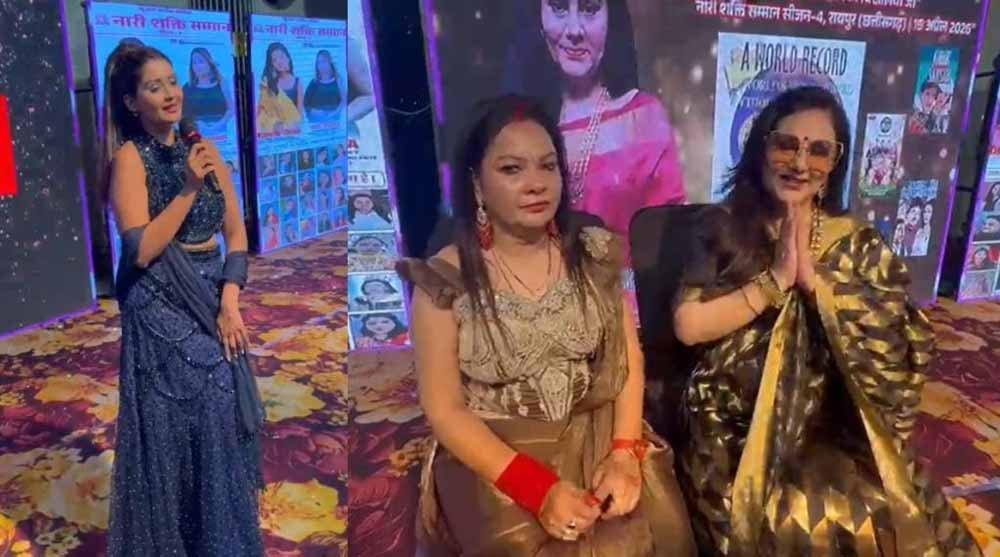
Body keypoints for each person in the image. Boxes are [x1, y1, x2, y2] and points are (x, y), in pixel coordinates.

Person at [672, 86, 977, 555]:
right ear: (761, 147)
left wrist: (818, 286)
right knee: (796, 515)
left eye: (819, 150)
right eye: (786, 145)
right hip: (735, 422)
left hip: (832, 417)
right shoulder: (721, 226)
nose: (800, 163)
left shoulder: (856, 242)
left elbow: (896, 350)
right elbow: (689, 325)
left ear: (836, 162)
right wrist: (776, 281)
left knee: (897, 504)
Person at [396, 95, 694, 556]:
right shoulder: (444, 281)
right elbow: (445, 410)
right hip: (499, 455)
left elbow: (626, 360)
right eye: (512, 169)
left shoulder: (593, 256)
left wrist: (624, 453)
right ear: (476, 184)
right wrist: (537, 490)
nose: (536, 184)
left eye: (548, 166)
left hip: (599, 435)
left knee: (653, 531)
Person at [99, 44, 264, 556]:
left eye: (172, 81)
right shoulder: (130, 159)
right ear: (132, 103)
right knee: (188, 412)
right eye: (155, 87)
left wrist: (230, 299)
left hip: (210, 291)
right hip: (158, 298)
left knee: (220, 406)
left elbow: (236, 235)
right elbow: (141, 250)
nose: (171, 93)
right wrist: (189, 187)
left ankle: (215, 538)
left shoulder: (204, 148)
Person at [502, 0, 686, 266]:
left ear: (611, 20)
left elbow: (668, 242)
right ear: (538, 18)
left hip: (623, 289)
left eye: (589, 9)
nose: (574, 30)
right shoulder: (513, 125)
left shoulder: (642, 117)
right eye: (559, 7)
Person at [182, 47, 234, 135]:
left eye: (201, 62)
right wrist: (195, 125)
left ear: (209, 63)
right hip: (197, 133)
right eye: (194, 63)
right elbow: (182, 114)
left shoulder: (222, 83)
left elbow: (231, 108)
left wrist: (219, 125)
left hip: (220, 132)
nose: (197, 66)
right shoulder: (187, 87)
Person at [256, 42, 302, 133]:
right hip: (274, 134)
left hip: (293, 132)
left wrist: (293, 127)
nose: (279, 62)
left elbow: (300, 114)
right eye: (274, 60)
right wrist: (274, 124)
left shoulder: (297, 82)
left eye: (281, 57)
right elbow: (261, 112)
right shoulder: (267, 85)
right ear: (272, 64)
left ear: (288, 58)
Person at [304, 49, 344, 122]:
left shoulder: (338, 80)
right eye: (318, 63)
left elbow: (343, 101)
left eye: (324, 61)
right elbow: (305, 103)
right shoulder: (314, 82)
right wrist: (315, 112)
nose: (321, 65)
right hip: (316, 122)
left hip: (334, 121)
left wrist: (335, 113)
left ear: (330, 62)